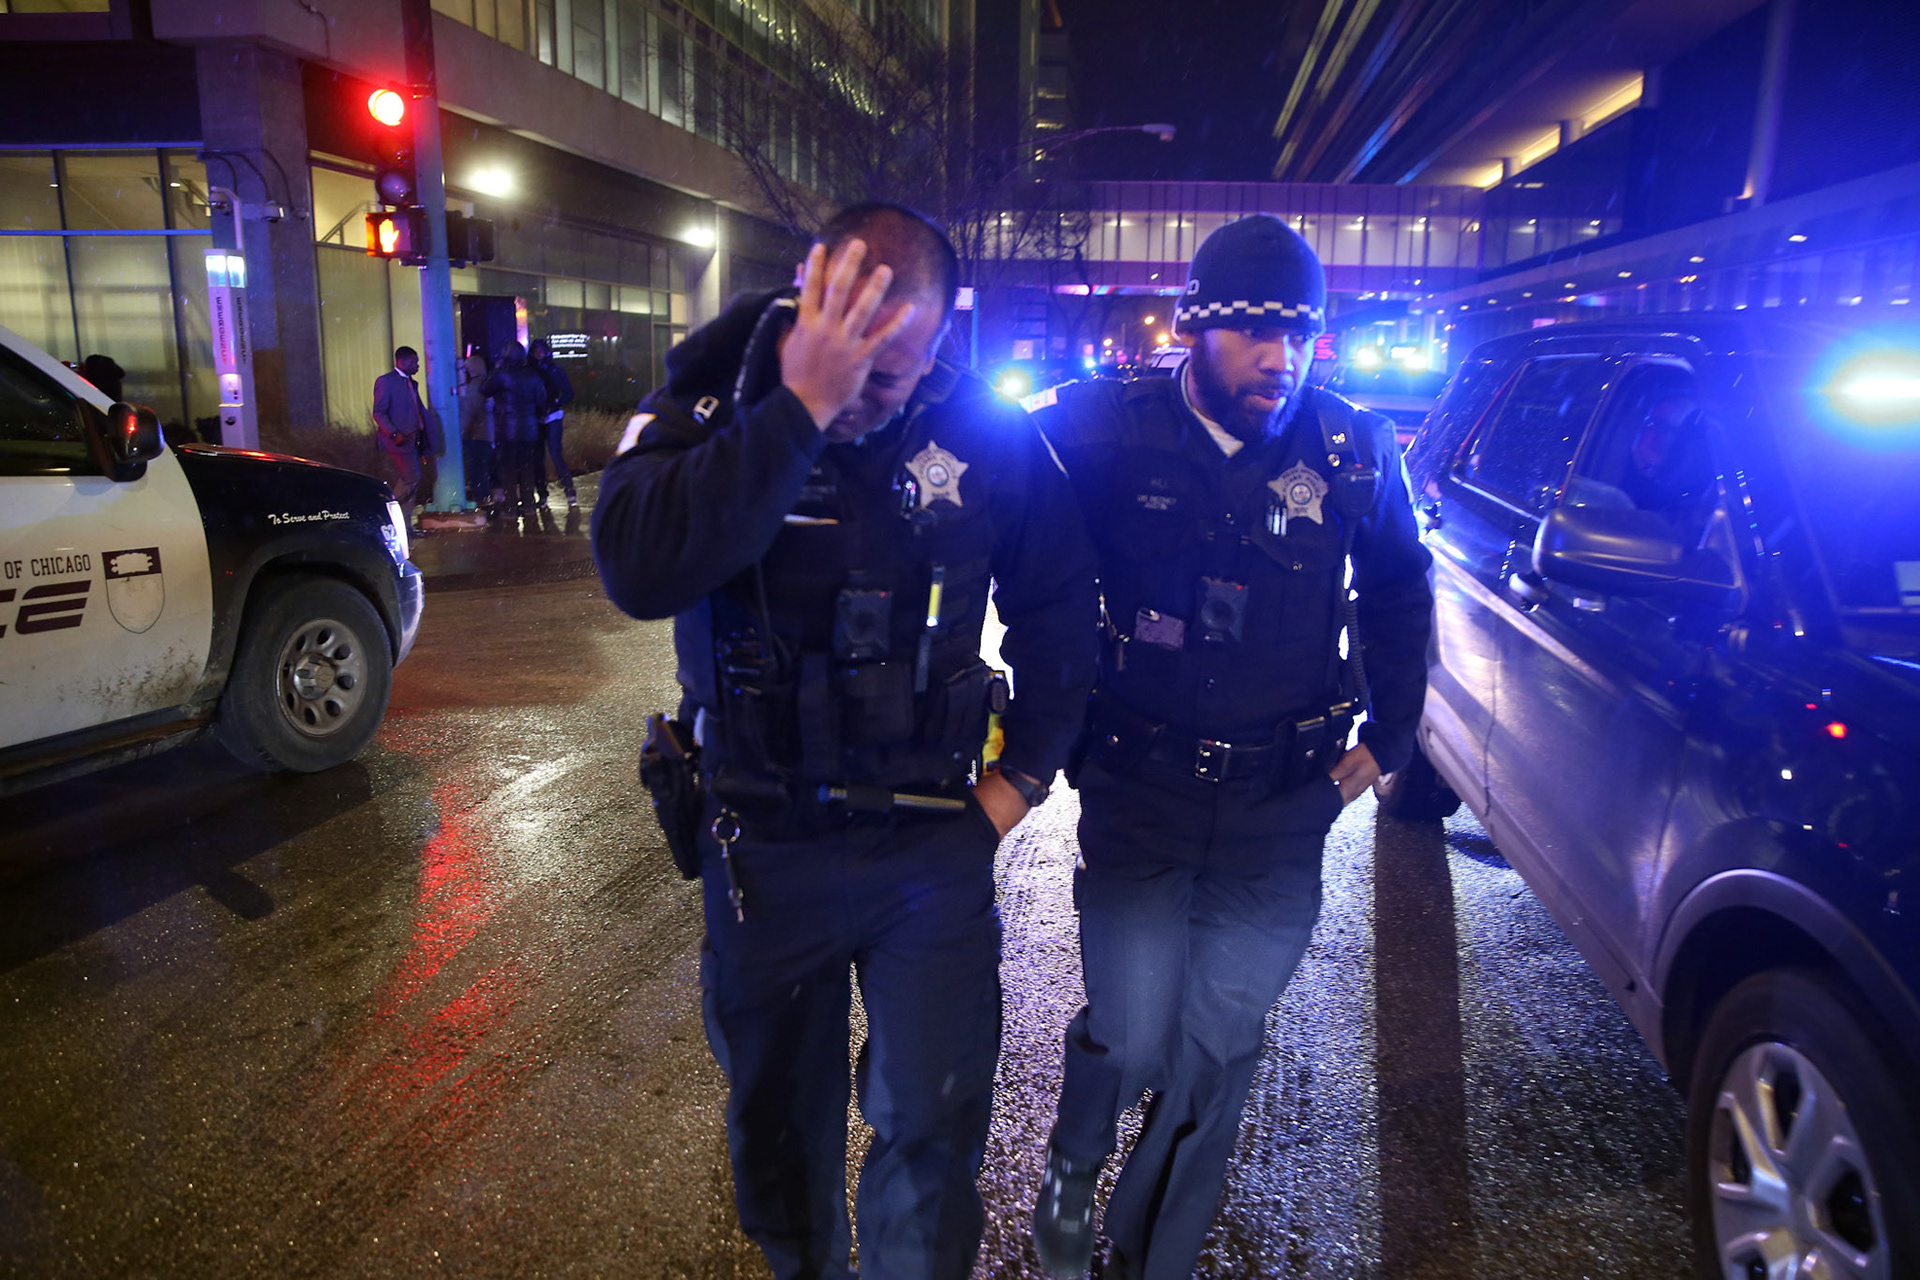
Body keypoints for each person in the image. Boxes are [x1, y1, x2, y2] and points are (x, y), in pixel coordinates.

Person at [592, 202, 1099, 1280]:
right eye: (852, 362)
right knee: (779, 1128)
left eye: (895, 371)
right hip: (764, 842)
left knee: (935, 1120)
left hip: (931, 838)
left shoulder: (983, 426)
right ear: (810, 291)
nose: (869, 394)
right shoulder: (718, 386)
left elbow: (1062, 605)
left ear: (939, 342)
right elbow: (635, 565)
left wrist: (1019, 780)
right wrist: (800, 406)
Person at [1025, 214, 1435, 1280]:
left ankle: (1148, 1253)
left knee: (1218, 1046)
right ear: (1195, 328)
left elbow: (1401, 586)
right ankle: (1074, 1163)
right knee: (1132, 1028)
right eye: (1255, 330)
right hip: (1141, 788)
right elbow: (987, 510)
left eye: (1300, 332)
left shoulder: (1353, 448)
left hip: (1283, 803)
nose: (1281, 356)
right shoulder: (1103, 432)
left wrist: (1390, 737)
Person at [482, 340, 547, 517]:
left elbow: (485, 389)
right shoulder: (532, 374)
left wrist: (495, 368)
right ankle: (528, 504)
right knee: (527, 467)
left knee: (508, 468)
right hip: (529, 429)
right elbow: (541, 399)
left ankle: (510, 506)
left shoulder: (502, 374)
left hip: (506, 428)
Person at [373, 345, 431, 529]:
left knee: (412, 480)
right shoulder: (386, 382)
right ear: (402, 361)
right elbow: (379, 412)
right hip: (397, 441)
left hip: (411, 440)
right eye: (414, 362)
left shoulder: (410, 383)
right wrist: (394, 433)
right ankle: (388, 514)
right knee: (410, 478)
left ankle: (403, 525)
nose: (418, 365)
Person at [529, 337, 578, 507]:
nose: (539, 354)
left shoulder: (552, 370)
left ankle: (567, 491)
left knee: (553, 454)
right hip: (541, 416)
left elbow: (569, 393)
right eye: (536, 351)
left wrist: (555, 403)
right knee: (540, 457)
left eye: (541, 351)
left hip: (550, 415)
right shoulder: (541, 370)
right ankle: (546, 494)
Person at [457, 351, 494, 509]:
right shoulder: (489, 385)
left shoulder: (472, 389)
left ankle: (482, 499)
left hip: (475, 435)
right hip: (489, 434)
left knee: (476, 469)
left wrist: (461, 433)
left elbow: (468, 413)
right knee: (485, 468)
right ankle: (490, 497)